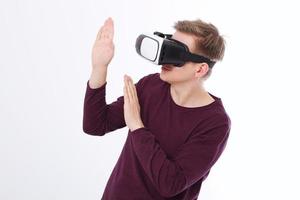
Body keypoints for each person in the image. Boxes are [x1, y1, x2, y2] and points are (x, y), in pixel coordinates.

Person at [83, 17, 231, 200]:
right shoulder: (151, 86)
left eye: (175, 54)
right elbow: (95, 125)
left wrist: (137, 127)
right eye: (167, 47)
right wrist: (99, 67)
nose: (164, 60)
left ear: (200, 70)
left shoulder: (215, 123)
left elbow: (170, 184)